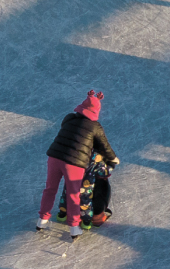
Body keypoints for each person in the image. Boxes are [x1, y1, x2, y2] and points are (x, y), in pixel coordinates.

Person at [38, 91, 117, 238]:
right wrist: (113, 159)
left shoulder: (68, 118)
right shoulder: (95, 127)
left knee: (50, 189)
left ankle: (42, 219)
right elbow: (105, 146)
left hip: (54, 157)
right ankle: (74, 227)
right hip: (74, 163)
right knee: (75, 195)